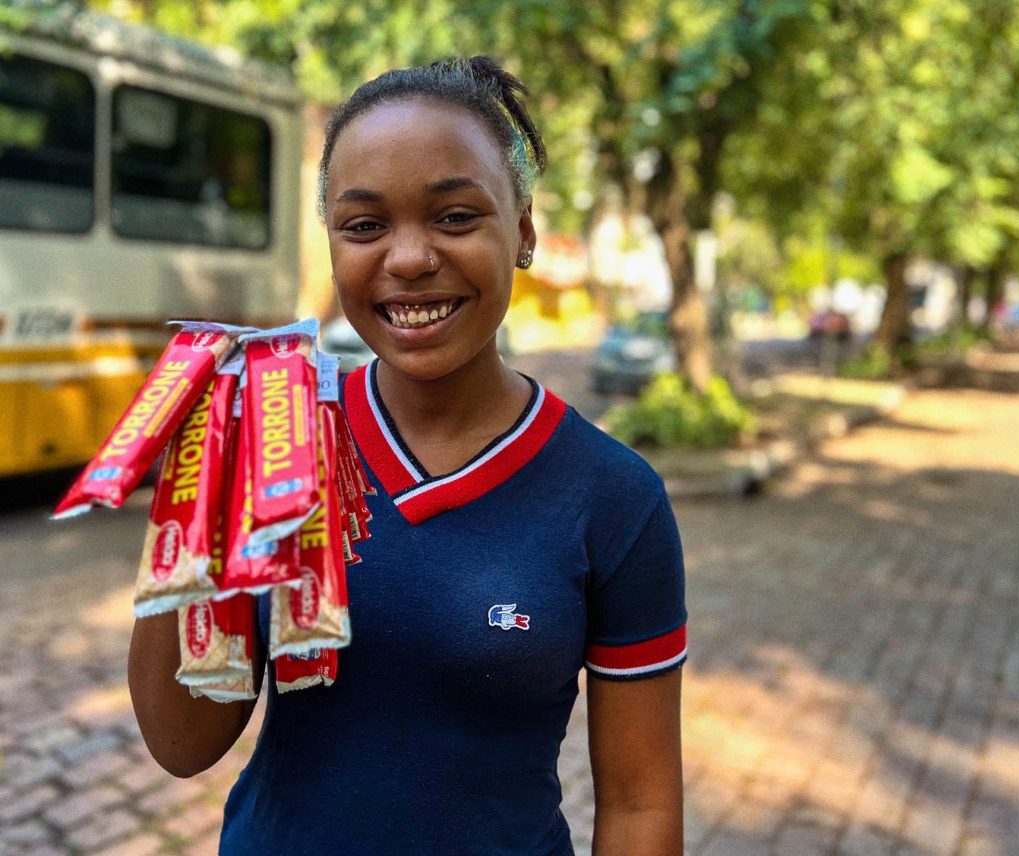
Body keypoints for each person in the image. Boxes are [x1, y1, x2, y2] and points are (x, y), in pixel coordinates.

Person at [128, 56, 687, 855]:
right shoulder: (280, 447)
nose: (409, 258)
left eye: (456, 216)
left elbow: (639, 806)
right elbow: (182, 745)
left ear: (523, 229)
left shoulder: (615, 498)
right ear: (333, 245)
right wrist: (194, 505)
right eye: (364, 226)